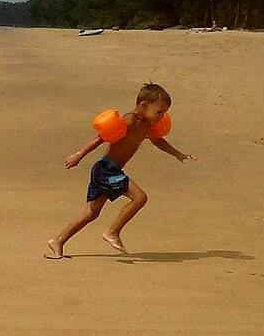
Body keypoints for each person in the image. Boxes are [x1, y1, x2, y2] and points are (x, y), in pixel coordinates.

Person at [45, 82, 192, 258]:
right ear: (143, 105)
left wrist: (177, 154)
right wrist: (79, 155)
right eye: (159, 111)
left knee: (92, 213)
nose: (162, 116)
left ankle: (58, 241)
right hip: (106, 169)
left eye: (164, 113)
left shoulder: (148, 125)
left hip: (108, 171)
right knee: (140, 198)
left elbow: (157, 140)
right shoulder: (129, 120)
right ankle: (112, 232)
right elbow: (101, 138)